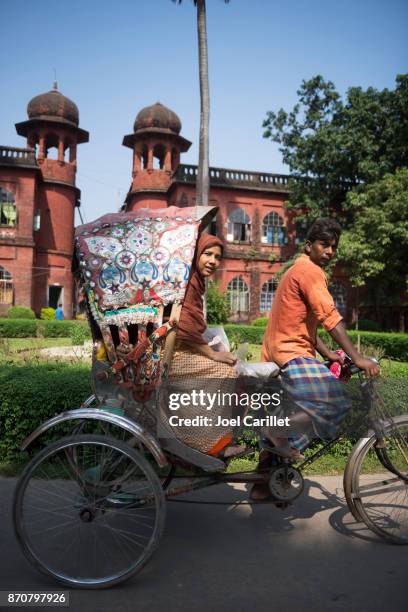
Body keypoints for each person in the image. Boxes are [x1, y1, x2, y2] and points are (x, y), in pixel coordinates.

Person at [251, 218, 380, 500]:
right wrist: (357, 358)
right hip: (291, 351)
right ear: (309, 246)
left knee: (293, 410)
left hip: (279, 348)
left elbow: (305, 324)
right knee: (334, 400)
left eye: (334, 246)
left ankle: (264, 484)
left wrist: (327, 354)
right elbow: (329, 317)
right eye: (324, 244)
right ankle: (278, 434)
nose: (330, 251)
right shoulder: (311, 271)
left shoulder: (296, 269)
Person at [167, 233, 241, 457]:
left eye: (218, 257)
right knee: (226, 373)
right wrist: (212, 354)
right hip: (172, 355)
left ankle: (209, 439)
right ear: (195, 254)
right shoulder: (187, 282)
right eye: (207, 254)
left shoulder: (195, 282)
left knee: (230, 368)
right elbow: (185, 329)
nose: (213, 261)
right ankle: (207, 443)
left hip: (181, 349)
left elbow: (192, 327)